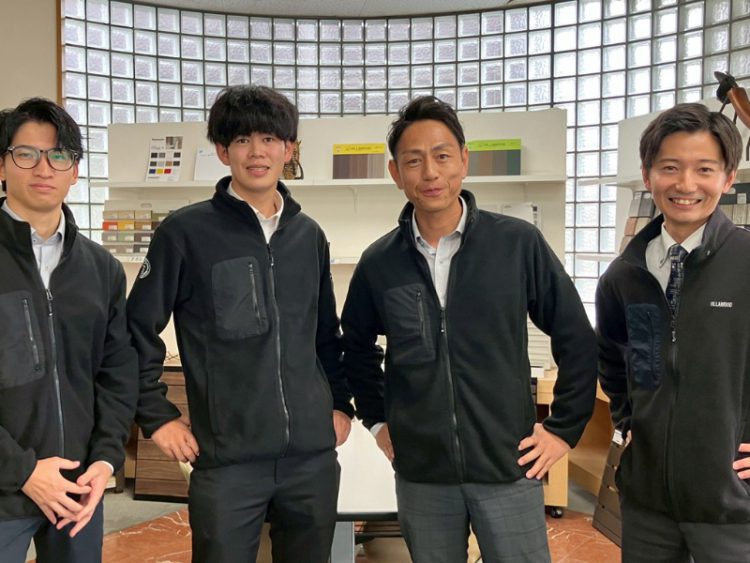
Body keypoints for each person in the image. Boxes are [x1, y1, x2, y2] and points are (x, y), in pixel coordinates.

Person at [341, 95, 597, 562]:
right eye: (413, 161)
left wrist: (563, 428)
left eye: (442, 156)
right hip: (423, 475)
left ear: (463, 160)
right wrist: (377, 421)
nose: (430, 173)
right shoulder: (380, 262)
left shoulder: (516, 244)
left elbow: (575, 335)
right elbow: (355, 348)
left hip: (508, 466)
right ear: (396, 173)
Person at [127, 84, 353, 563]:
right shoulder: (185, 232)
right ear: (222, 150)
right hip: (228, 461)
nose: (257, 152)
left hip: (310, 459)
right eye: (243, 140)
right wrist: (157, 416)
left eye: (269, 139)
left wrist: (340, 405)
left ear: (289, 149)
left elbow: (324, 334)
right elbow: (134, 330)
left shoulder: (308, 235)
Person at [596, 102, 750, 562]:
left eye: (704, 169)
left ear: (728, 178)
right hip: (648, 507)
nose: (685, 184)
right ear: (648, 176)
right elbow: (613, 362)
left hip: (733, 505)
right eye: (669, 167)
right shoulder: (623, 276)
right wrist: (629, 424)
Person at [0, 98, 137, 562]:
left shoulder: (101, 269)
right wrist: (22, 470)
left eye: (59, 155)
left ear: (74, 171)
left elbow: (117, 373)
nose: (44, 168)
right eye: (26, 154)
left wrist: (105, 459)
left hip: (78, 486)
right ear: (2, 165)